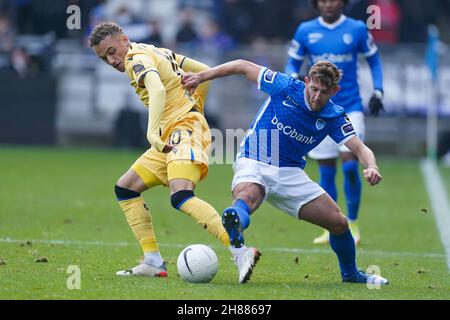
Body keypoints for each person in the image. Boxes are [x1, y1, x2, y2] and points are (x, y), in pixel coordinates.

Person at [181, 59, 389, 285]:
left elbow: (360, 148)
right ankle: (235, 222)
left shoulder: (334, 116)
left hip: (290, 172)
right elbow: (242, 66)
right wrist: (202, 77)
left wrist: (372, 166)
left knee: (339, 223)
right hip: (256, 156)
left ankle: (351, 275)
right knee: (247, 197)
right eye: (314, 88)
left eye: (324, 92)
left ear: (335, 91)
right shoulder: (285, 86)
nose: (317, 96)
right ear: (307, 81)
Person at [88, 22, 258, 283]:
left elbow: (156, 89)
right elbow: (202, 71)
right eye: (104, 57)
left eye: (112, 51)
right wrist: (196, 105)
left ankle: (240, 251)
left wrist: (153, 132)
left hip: (181, 129)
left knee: (180, 195)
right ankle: (152, 261)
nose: (111, 60)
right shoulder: (154, 50)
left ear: (124, 38)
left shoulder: (136, 58)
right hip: (175, 131)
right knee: (125, 188)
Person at [285, 0, 384, 245]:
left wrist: (378, 91)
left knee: (351, 166)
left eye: (335, 0)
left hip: (350, 107)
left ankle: (353, 223)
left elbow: (374, 60)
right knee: (326, 170)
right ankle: (332, 226)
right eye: (324, 0)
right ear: (317, 3)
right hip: (319, 111)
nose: (329, 4)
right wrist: (294, 80)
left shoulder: (358, 29)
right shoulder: (305, 30)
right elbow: (292, 64)